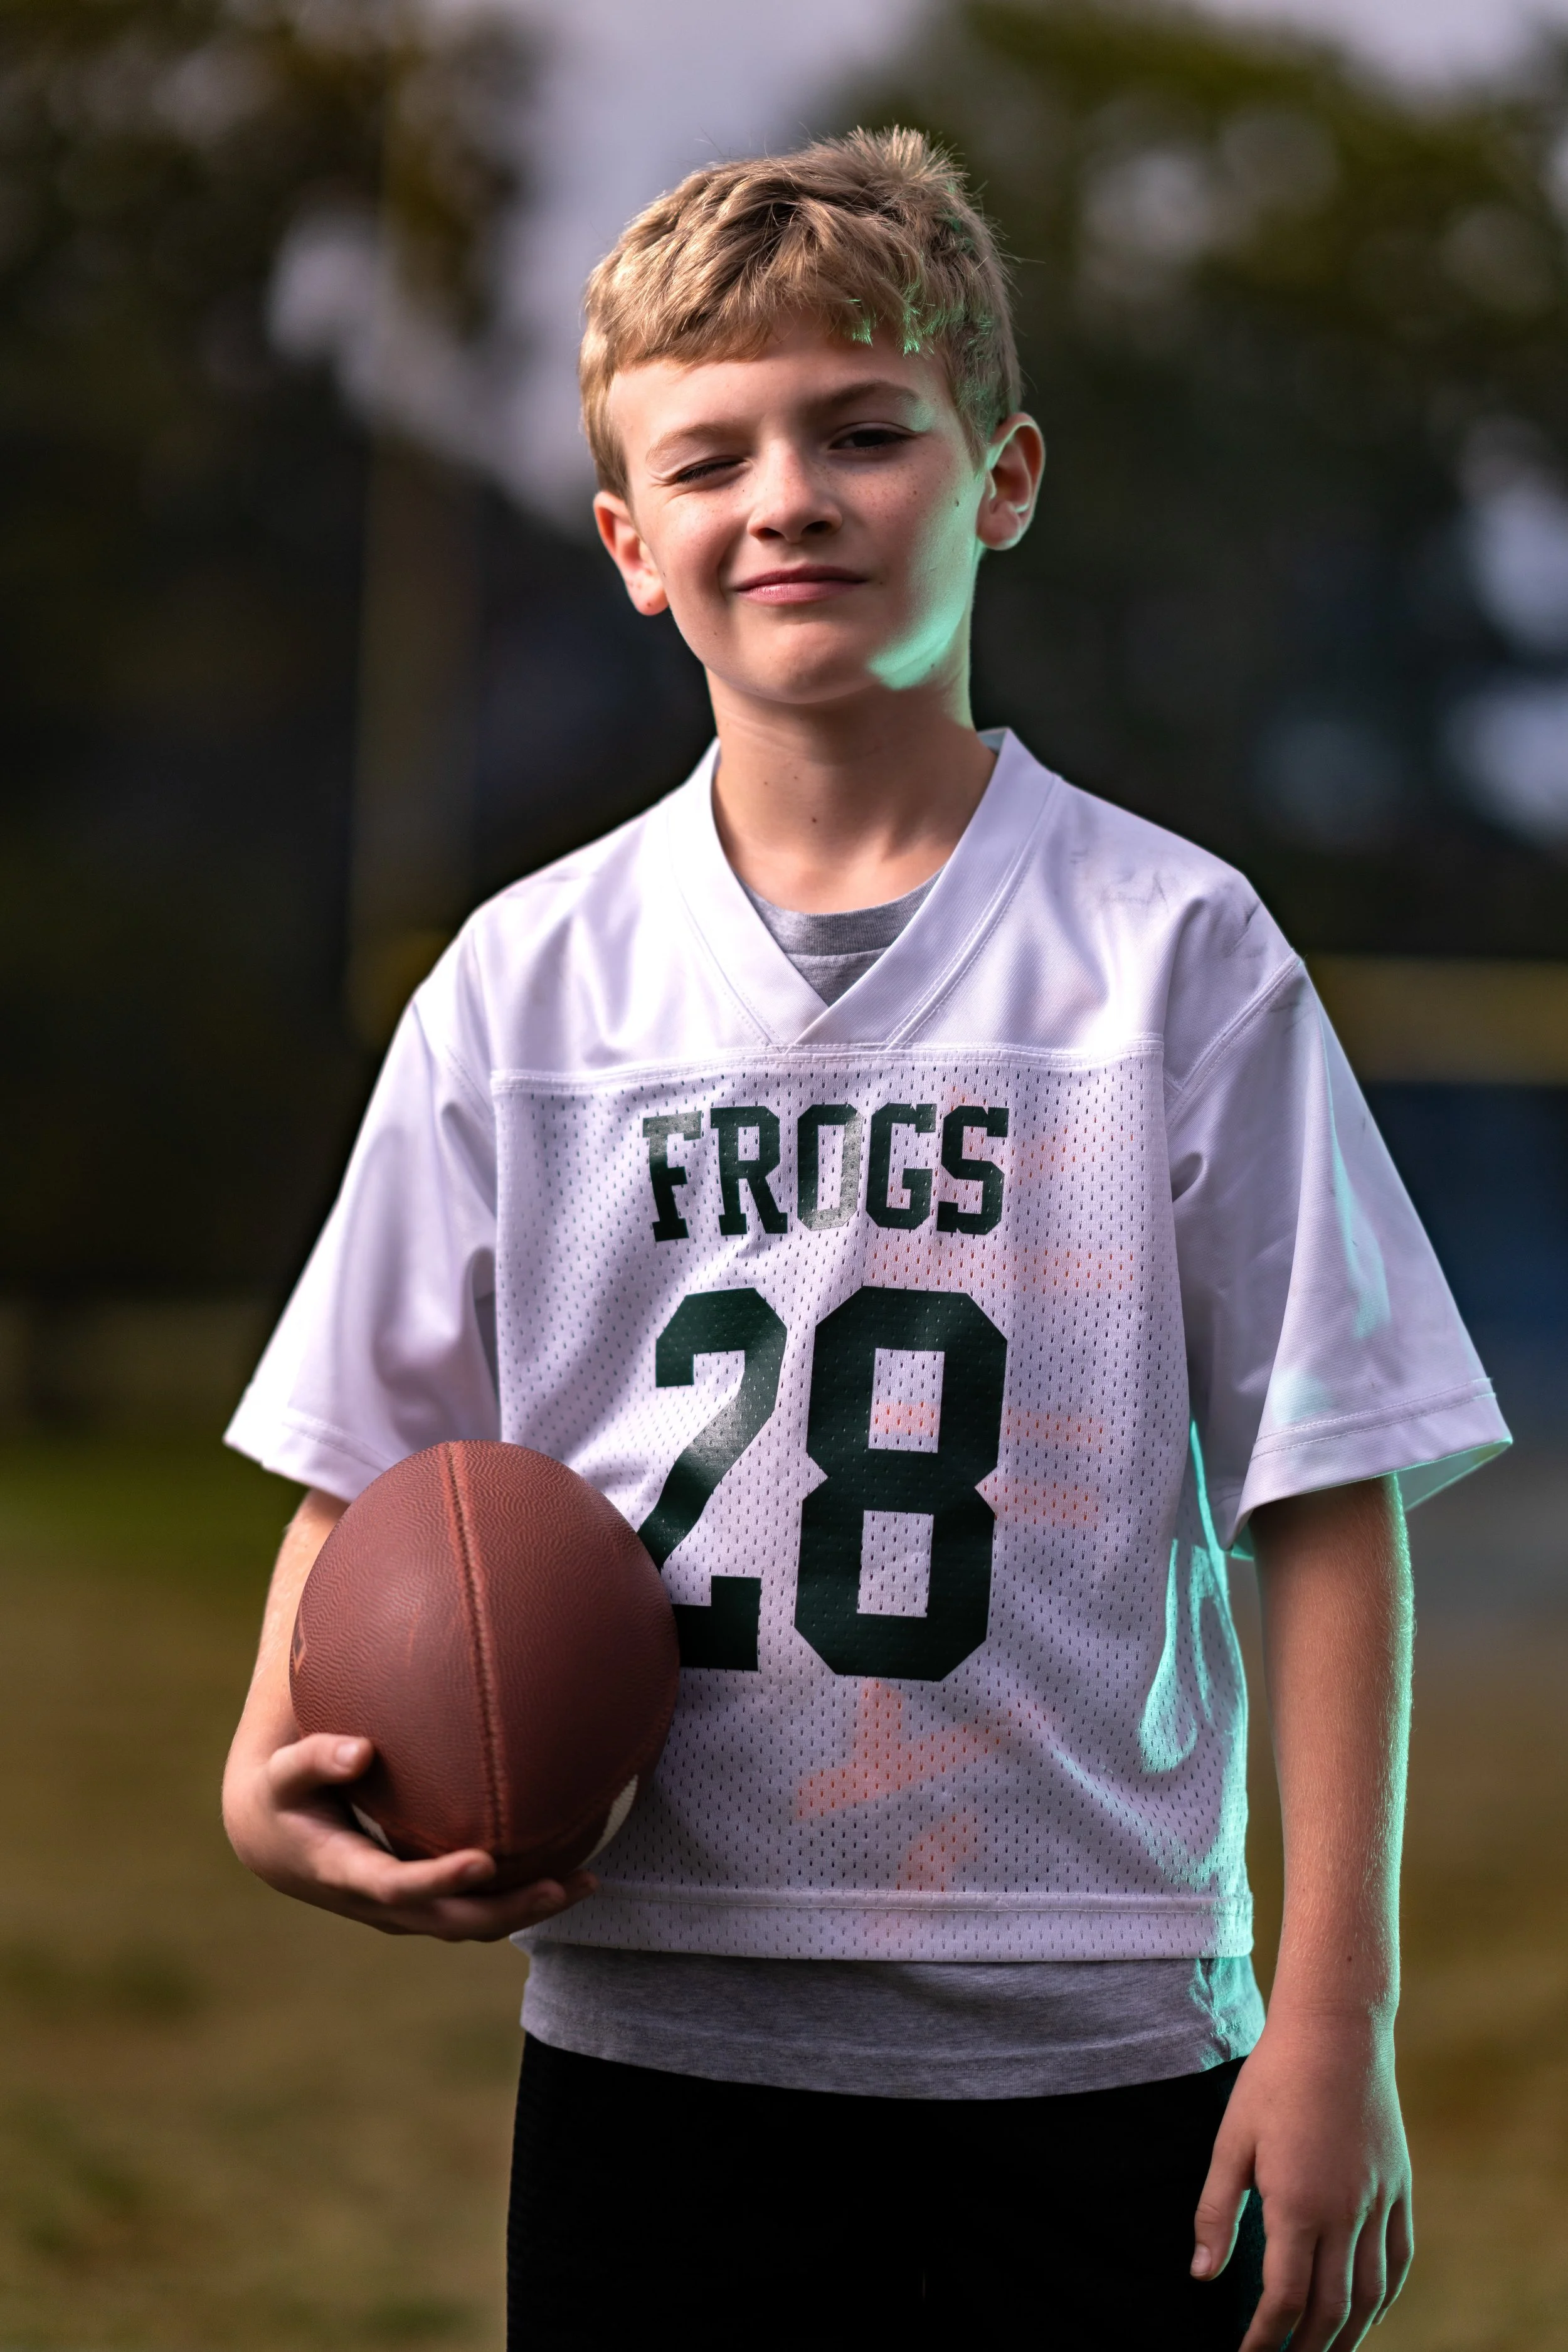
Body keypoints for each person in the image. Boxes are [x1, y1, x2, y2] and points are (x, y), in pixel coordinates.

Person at [222, 129, 1508, 2349]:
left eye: (861, 429)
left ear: (1000, 476)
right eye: (705, 458)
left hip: (1094, 2023)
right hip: (658, 2038)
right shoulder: (526, 992)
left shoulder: (1169, 959)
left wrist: (1331, 2016)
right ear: (631, 542)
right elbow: (376, 1467)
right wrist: (270, 1760)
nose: (785, 497)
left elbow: (1323, 1493)